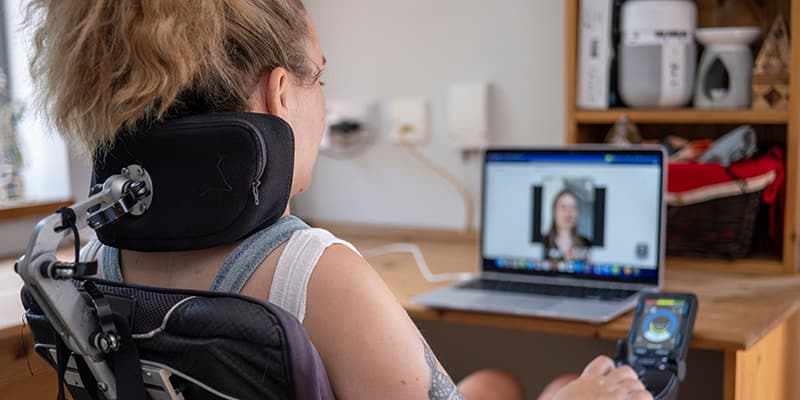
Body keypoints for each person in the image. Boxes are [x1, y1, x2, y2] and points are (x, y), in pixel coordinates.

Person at [27, 1, 650, 399]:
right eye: (318, 77)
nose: (322, 97)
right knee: (572, 382)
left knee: (495, 384)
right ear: (279, 95)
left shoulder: (101, 263)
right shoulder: (315, 273)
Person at [543, 189, 592, 263]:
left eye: (573, 207)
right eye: (563, 207)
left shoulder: (587, 243)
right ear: (554, 211)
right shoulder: (542, 243)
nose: (568, 212)